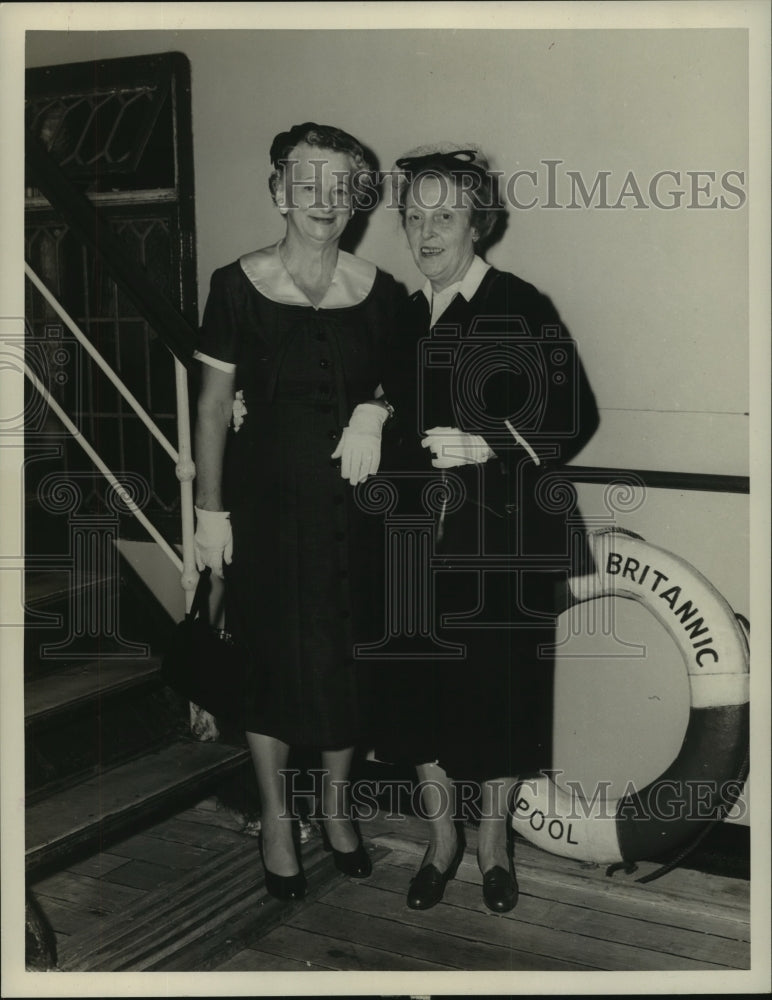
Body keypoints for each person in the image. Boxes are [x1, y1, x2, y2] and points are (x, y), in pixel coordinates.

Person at [376, 144, 599, 913]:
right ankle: (441, 843)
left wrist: (488, 442)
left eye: (444, 215)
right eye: (413, 216)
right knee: (419, 692)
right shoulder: (403, 314)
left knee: (501, 698)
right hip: (412, 543)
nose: (426, 231)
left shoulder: (518, 304)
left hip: (502, 540)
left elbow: (576, 413)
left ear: (479, 222)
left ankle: (495, 849)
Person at [192, 122, 402, 901]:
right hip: (268, 513)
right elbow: (213, 407)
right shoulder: (235, 285)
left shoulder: (378, 293)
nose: (323, 198)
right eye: (307, 181)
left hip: (354, 519)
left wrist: (374, 409)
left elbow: (405, 381)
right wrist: (210, 513)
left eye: (339, 184)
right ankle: (280, 820)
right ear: (280, 190)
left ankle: (340, 811)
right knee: (272, 666)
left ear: (356, 200)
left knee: (348, 664)